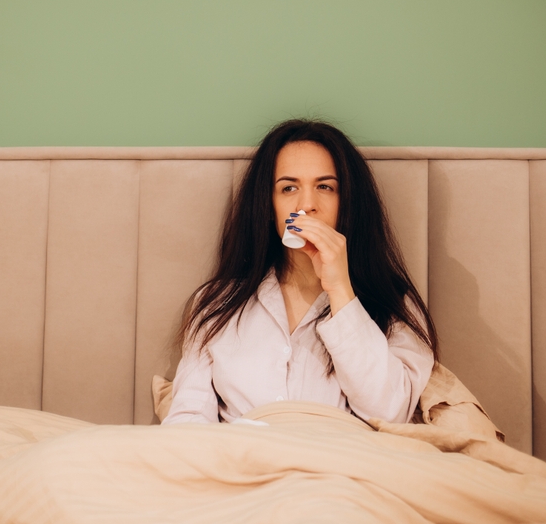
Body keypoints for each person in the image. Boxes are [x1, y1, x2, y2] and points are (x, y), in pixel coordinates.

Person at [162, 119, 438, 425]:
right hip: (242, 463)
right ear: (269, 206)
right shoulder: (217, 304)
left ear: (347, 202)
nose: (306, 204)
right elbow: (187, 420)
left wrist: (341, 292)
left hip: (339, 464)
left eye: (325, 187)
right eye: (288, 188)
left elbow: (389, 411)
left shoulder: (394, 306)